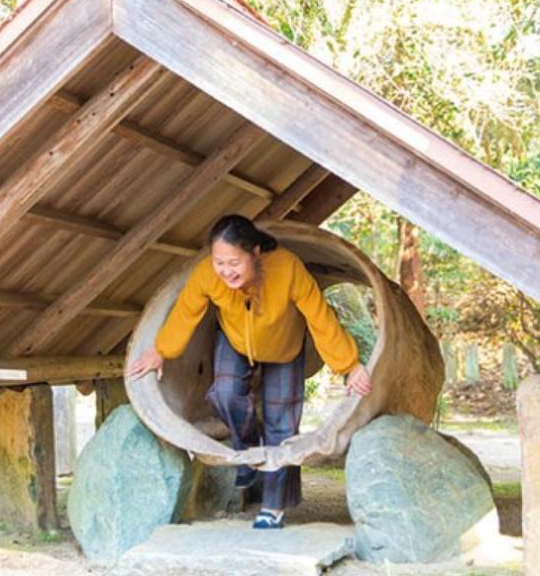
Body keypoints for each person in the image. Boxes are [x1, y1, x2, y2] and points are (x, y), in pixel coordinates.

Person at [127, 214, 372, 529]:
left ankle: (273, 506)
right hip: (236, 342)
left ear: (255, 253)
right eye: (219, 262)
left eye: (234, 262)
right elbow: (186, 311)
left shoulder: (287, 267)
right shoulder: (207, 275)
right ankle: (247, 448)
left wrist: (349, 366)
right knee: (225, 394)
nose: (226, 271)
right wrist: (160, 350)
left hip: (285, 348)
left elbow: (320, 317)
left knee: (280, 425)